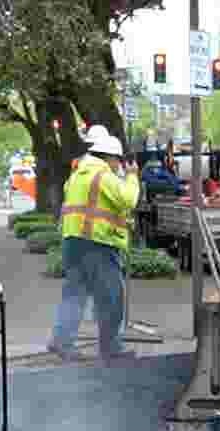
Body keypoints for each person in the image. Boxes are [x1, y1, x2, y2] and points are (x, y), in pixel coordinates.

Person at [47, 126, 141, 364]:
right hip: (97, 244)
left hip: (72, 242)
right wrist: (132, 176)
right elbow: (129, 199)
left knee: (74, 294)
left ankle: (61, 341)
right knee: (111, 297)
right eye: (118, 160)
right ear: (109, 157)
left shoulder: (77, 174)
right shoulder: (103, 175)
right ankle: (111, 348)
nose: (119, 164)